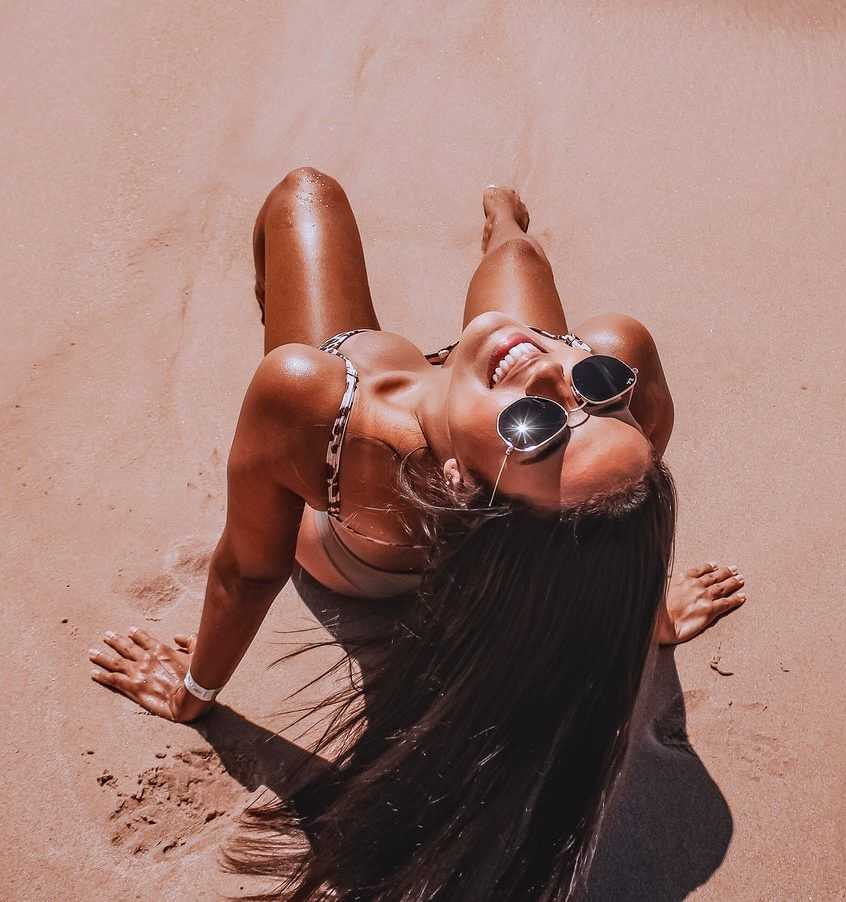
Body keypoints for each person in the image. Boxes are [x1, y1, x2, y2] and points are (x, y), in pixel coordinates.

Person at [88, 170, 747, 901]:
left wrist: (194, 690)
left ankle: (379, 308)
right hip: (490, 512)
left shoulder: (319, 406)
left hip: (365, 559)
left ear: (462, 489)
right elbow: (619, 512)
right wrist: (647, 616)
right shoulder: (612, 357)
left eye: (537, 431)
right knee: (522, 264)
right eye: (593, 388)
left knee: (303, 196)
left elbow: (248, 571)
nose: (553, 378)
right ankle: (503, 218)